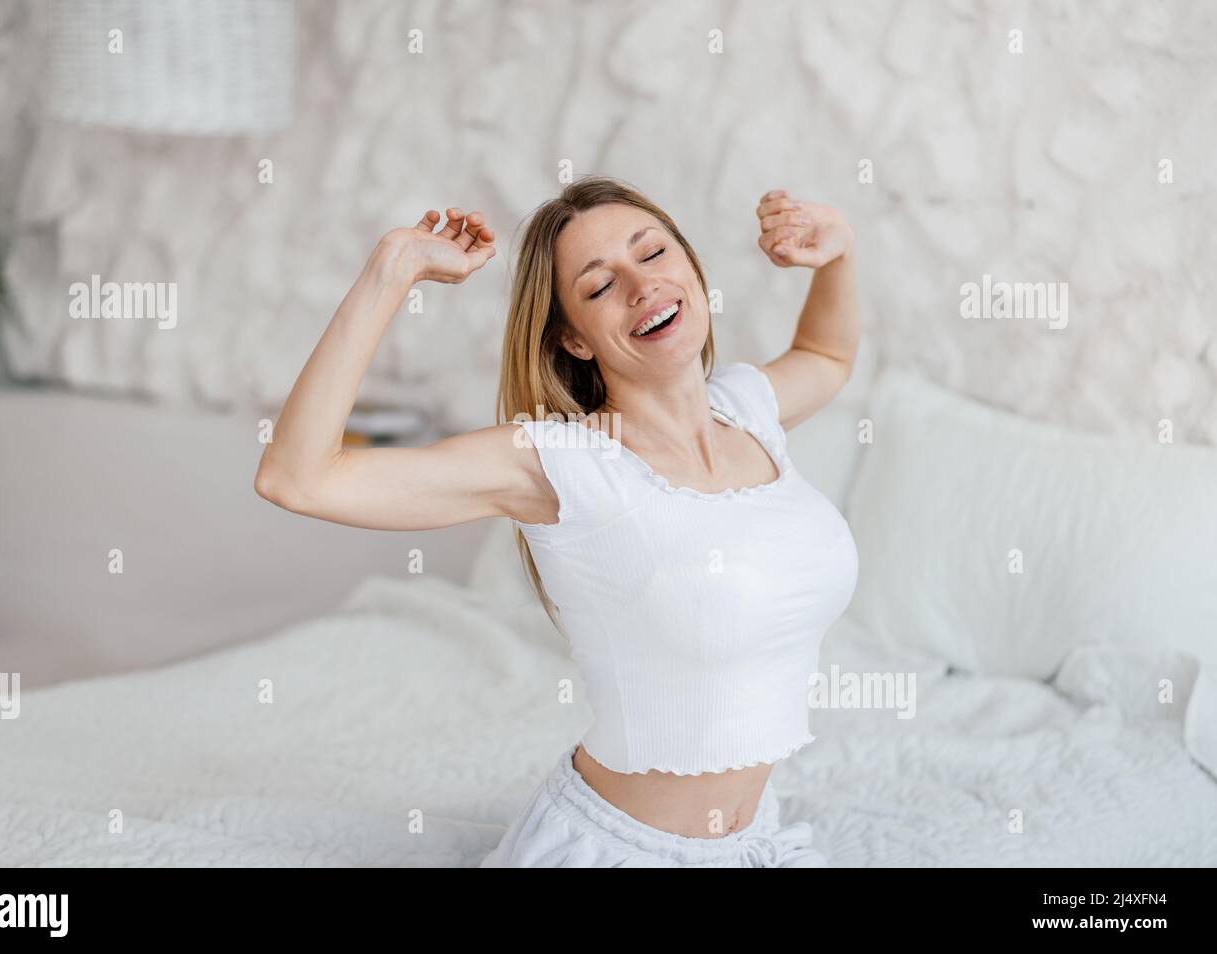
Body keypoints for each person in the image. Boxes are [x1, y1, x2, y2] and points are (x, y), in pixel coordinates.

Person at [255, 175, 860, 867]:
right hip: (619, 851)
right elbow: (296, 477)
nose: (641, 286)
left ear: (692, 266)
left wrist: (838, 254)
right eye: (600, 286)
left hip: (757, 844)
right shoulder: (560, 464)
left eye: (653, 253)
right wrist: (392, 269)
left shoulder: (749, 408)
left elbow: (827, 355)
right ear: (574, 339)